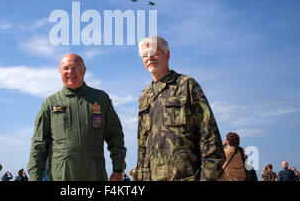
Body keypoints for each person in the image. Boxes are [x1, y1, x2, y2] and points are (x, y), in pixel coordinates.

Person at [136, 36, 225, 181]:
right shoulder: (144, 96)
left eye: (154, 52)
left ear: (167, 54)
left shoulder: (186, 85)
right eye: (145, 55)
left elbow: (210, 137)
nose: (149, 58)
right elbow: (142, 147)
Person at [28, 53, 127, 181]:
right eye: (66, 68)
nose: (70, 72)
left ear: (84, 70)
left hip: (95, 174)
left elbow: (115, 136)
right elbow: (38, 144)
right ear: (60, 72)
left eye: (75, 68)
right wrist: (34, 178)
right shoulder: (50, 103)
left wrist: (118, 169)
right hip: (61, 175)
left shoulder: (100, 99)